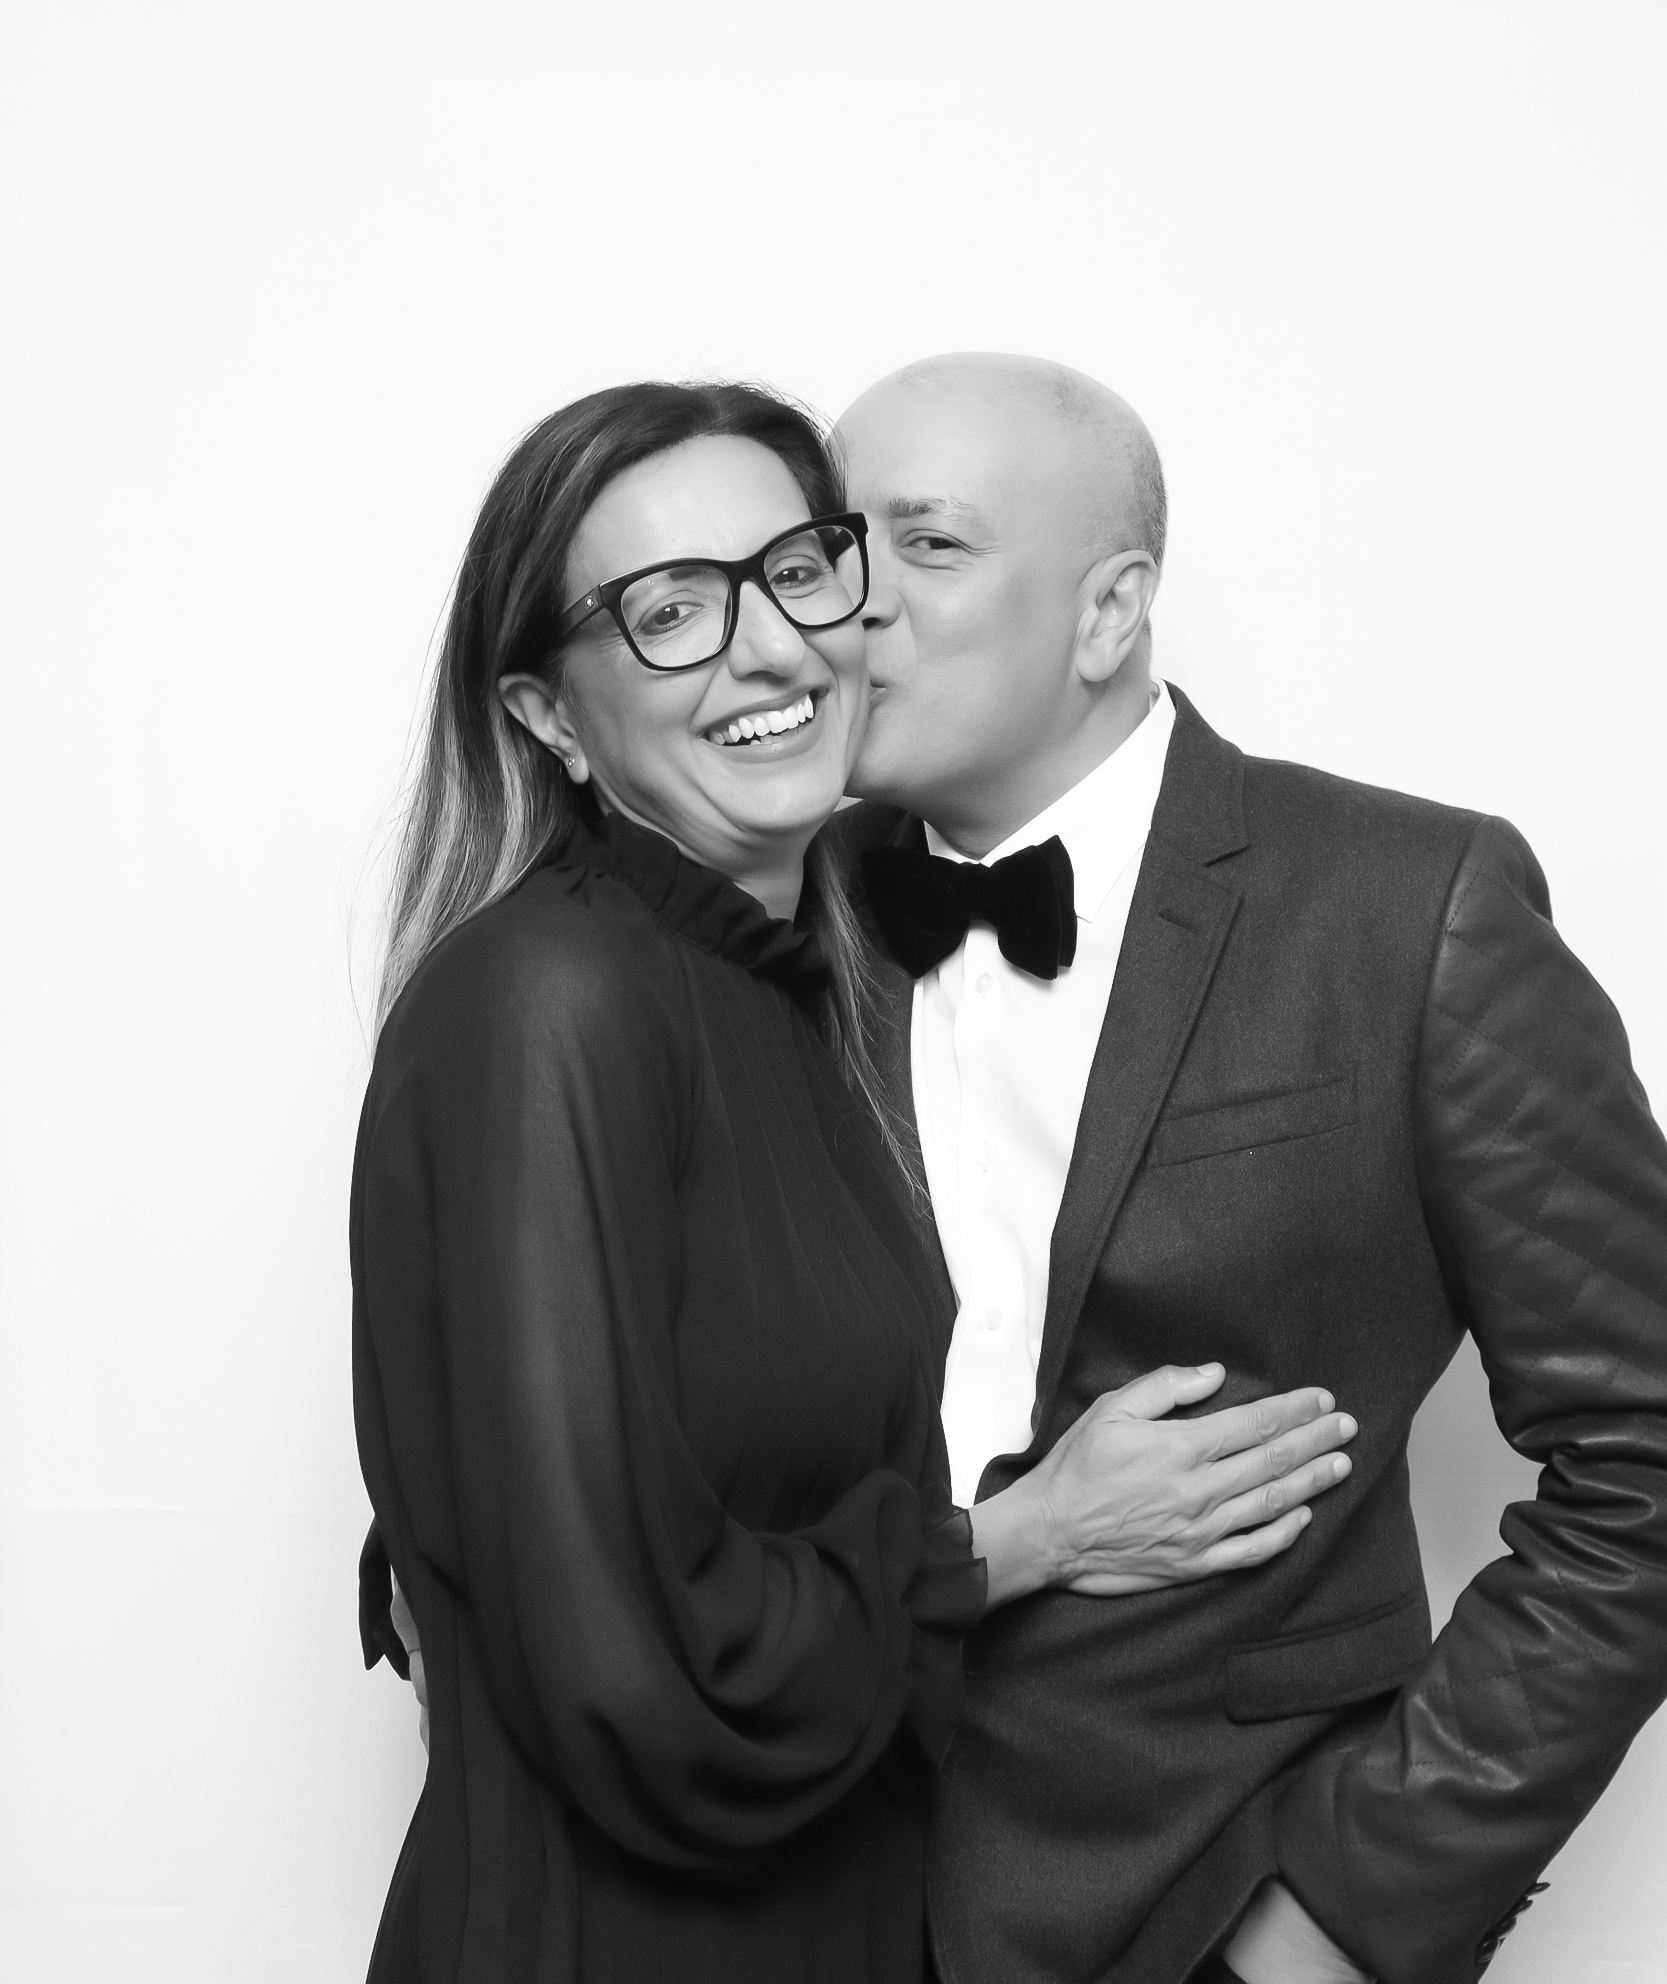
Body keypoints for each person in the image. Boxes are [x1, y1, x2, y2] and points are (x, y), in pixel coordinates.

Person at [351, 379, 1358, 1984]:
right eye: (669, 612)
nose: (770, 647)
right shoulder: (547, 999)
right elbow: (625, 1662)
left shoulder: (797, 990)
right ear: (547, 716)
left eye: (795, 572)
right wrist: (1024, 1541)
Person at [830, 352, 1667, 1984]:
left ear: (1108, 611)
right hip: (801, 1892)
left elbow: (1650, 1450)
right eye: (833, 544)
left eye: (926, 544)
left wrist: (1342, 1922)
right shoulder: (774, 919)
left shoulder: (1408, 904)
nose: (848, 604)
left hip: (1209, 1889)